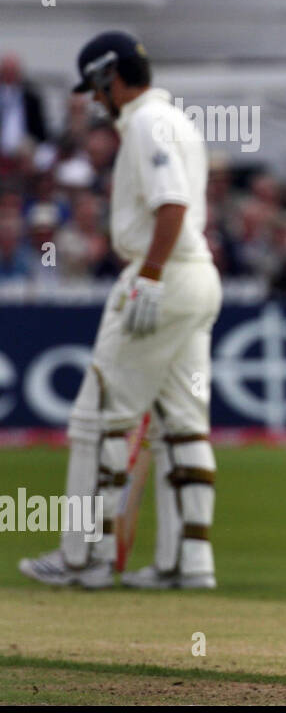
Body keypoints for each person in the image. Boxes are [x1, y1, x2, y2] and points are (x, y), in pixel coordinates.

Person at [19, 30, 223, 590]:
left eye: (97, 88)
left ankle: (83, 557)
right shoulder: (173, 119)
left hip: (165, 274)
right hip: (197, 275)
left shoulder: (148, 124)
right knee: (182, 424)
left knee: (97, 419)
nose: (96, 101)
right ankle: (188, 563)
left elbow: (172, 204)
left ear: (112, 77)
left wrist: (150, 277)